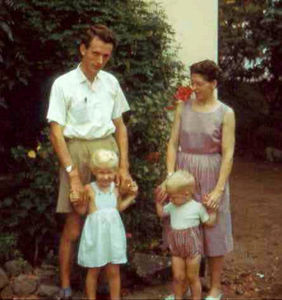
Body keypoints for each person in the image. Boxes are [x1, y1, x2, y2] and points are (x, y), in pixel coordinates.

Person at [47, 24, 132, 299]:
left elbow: (120, 127)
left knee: (108, 215)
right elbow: (56, 131)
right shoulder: (63, 84)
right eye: (95, 53)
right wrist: (72, 174)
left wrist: (124, 167)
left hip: (107, 154)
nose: (100, 61)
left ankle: (103, 285)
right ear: (83, 49)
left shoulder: (111, 83)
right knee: (74, 225)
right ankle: (65, 286)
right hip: (77, 153)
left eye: (106, 56)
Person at [157, 59, 235, 300]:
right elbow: (172, 143)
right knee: (182, 223)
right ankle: (186, 287)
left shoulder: (226, 113)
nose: (194, 88)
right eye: (192, 83)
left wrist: (219, 189)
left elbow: (228, 153)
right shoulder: (184, 107)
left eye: (199, 84)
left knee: (213, 227)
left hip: (211, 172)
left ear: (213, 84)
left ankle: (214, 288)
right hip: (184, 172)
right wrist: (170, 178)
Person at [74, 149, 138, 300]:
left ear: (115, 171)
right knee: (94, 270)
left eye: (109, 172)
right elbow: (82, 211)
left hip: (113, 236)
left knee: (114, 271)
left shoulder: (115, 190)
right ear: (94, 171)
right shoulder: (89, 189)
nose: (106, 176)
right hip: (96, 236)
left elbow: (117, 209)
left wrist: (132, 196)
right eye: (101, 173)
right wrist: (76, 202)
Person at [156, 170, 216, 300]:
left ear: (186, 194)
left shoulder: (197, 207)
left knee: (192, 277)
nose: (170, 199)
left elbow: (209, 222)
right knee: (178, 276)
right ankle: (178, 297)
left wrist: (213, 212)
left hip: (192, 249)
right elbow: (161, 214)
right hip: (176, 248)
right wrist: (158, 203)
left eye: (173, 196)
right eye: (169, 197)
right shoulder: (172, 206)